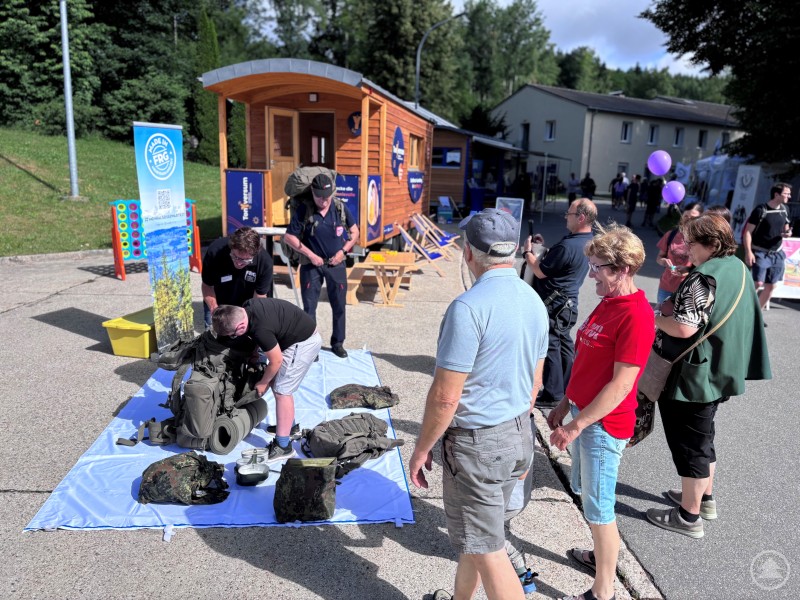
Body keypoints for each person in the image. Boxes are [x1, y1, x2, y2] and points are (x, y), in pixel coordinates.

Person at [409, 208, 548, 600]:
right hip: (518, 433)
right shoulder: (533, 301)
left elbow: (446, 395)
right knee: (481, 534)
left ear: (468, 252)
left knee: (490, 548)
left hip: (479, 446)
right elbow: (535, 384)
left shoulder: (468, 307)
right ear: (515, 252)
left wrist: (421, 449)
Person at [645, 214, 771, 538]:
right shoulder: (738, 267)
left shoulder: (704, 276)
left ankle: (688, 517)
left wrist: (651, 317)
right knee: (704, 438)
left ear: (712, 244)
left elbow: (685, 326)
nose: (687, 250)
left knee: (690, 447)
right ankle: (704, 499)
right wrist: (666, 306)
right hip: (720, 369)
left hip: (693, 377)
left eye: (691, 244)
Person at [547, 224, 654, 600]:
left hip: (603, 427)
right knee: (588, 496)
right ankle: (600, 557)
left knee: (599, 507)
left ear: (622, 269)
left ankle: (603, 590)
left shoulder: (637, 315)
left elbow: (621, 385)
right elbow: (587, 360)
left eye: (597, 267)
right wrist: (565, 402)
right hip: (583, 414)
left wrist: (576, 425)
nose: (590, 273)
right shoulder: (609, 302)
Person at [212, 299, 322, 462]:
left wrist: (263, 383)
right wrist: (255, 351)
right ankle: (289, 428)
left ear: (240, 327)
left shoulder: (260, 329)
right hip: (296, 334)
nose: (233, 338)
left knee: (281, 391)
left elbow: (276, 360)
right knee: (279, 384)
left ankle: (283, 446)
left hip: (303, 343)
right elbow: (259, 335)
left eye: (233, 335)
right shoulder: (247, 307)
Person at [522, 199, 597, 408]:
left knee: (552, 346)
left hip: (554, 305)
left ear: (581, 217)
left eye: (569, 213)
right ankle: (565, 388)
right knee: (563, 345)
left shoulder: (568, 245)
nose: (566, 216)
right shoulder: (586, 240)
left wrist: (528, 252)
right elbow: (558, 262)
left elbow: (540, 270)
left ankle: (553, 393)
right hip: (568, 304)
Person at [284, 174, 359, 358]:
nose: (324, 200)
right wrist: (311, 255)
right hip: (312, 265)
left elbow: (355, 231)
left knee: (339, 306)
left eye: (327, 196)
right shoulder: (305, 209)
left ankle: (338, 343)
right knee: (309, 308)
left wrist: (343, 251)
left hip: (337, 264)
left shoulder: (339, 207)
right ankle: (311, 346)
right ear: (313, 192)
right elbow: (289, 237)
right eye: (320, 196)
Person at [201, 227, 273, 328]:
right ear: (231, 247)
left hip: (246, 304)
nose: (239, 263)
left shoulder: (264, 262)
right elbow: (207, 285)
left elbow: (259, 296)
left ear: (254, 254)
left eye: (245, 260)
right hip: (218, 300)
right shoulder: (215, 251)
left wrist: (249, 318)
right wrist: (215, 309)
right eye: (235, 257)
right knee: (212, 334)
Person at [742, 182, 793, 311]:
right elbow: (748, 232)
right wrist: (749, 252)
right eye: (786, 193)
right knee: (758, 283)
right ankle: (741, 309)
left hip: (777, 253)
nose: (789, 196)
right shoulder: (761, 210)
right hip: (760, 252)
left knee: (771, 286)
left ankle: (757, 315)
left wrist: (787, 233)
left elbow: (785, 229)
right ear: (776, 194)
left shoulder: (785, 209)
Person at [654, 202, 703, 304]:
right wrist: (664, 262)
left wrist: (688, 269)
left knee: (678, 320)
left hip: (688, 290)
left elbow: (706, 267)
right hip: (666, 287)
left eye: (693, 217)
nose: (688, 219)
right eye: (686, 216)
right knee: (660, 317)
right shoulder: (671, 235)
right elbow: (659, 258)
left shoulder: (702, 241)